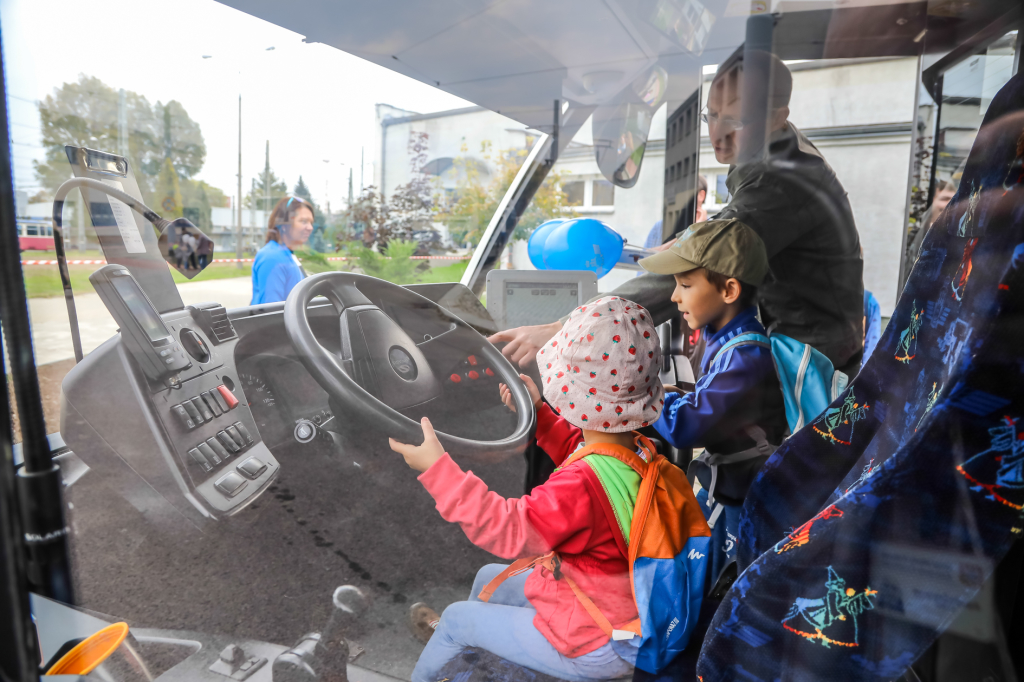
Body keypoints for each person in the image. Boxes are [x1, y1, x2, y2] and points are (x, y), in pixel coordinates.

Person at [491, 51, 864, 376]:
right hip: (810, 344)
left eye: (734, 122)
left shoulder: (778, 183)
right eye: (711, 116)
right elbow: (724, 232)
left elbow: (699, 265)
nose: (717, 134)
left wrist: (567, 328)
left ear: (778, 117)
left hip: (811, 366)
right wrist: (679, 244)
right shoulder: (778, 155)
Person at [389, 298, 702, 682]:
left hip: (595, 642)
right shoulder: (639, 453)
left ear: (569, 389)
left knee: (456, 618)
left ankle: (453, 645)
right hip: (620, 608)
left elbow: (509, 529)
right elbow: (585, 452)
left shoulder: (580, 485)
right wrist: (539, 413)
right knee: (490, 576)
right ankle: (471, 662)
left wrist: (437, 469)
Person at [638, 219, 787, 582]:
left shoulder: (746, 354)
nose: (675, 296)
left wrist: (644, 394)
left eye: (686, 285)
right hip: (727, 485)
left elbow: (685, 427)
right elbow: (715, 404)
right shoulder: (723, 337)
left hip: (741, 498)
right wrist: (676, 397)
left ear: (729, 290)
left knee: (719, 581)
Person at [250, 195, 315, 305]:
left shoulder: (287, 254)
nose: (310, 227)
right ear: (283, 225)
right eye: (303, 221)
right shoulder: (272, 257)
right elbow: (271, 312)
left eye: (311, 222)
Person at [905, 179, 956, 265]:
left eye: (954, 200)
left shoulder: (959, 239)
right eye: (944, 199)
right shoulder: (913, 236)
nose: (950, 205)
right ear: (932, 201)